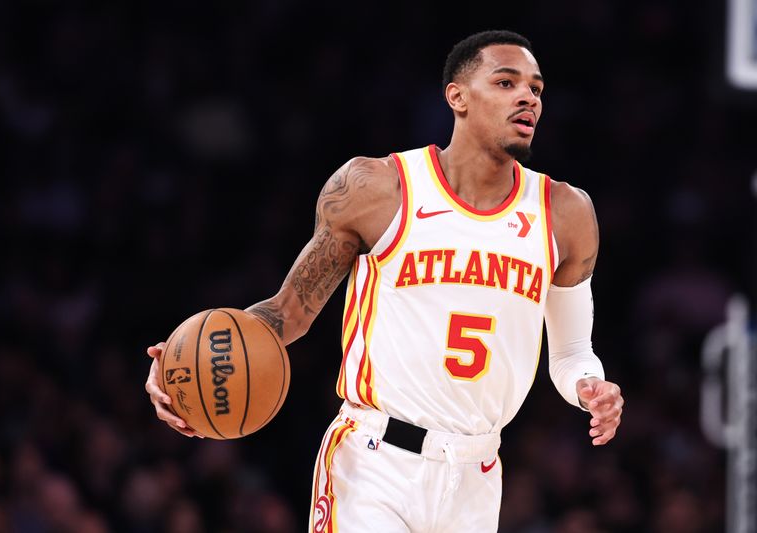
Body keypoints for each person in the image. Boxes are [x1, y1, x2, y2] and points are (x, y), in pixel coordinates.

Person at [144, 29, 624, 532]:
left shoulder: (566, 213)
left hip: (479, 474)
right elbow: (289, 312)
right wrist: (190, 356)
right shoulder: (378, 188)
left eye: (536, 89)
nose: (528, 97)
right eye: (506, 82)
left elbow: (571, 354)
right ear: (456, 97)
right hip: (374, 466)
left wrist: (590, 387)